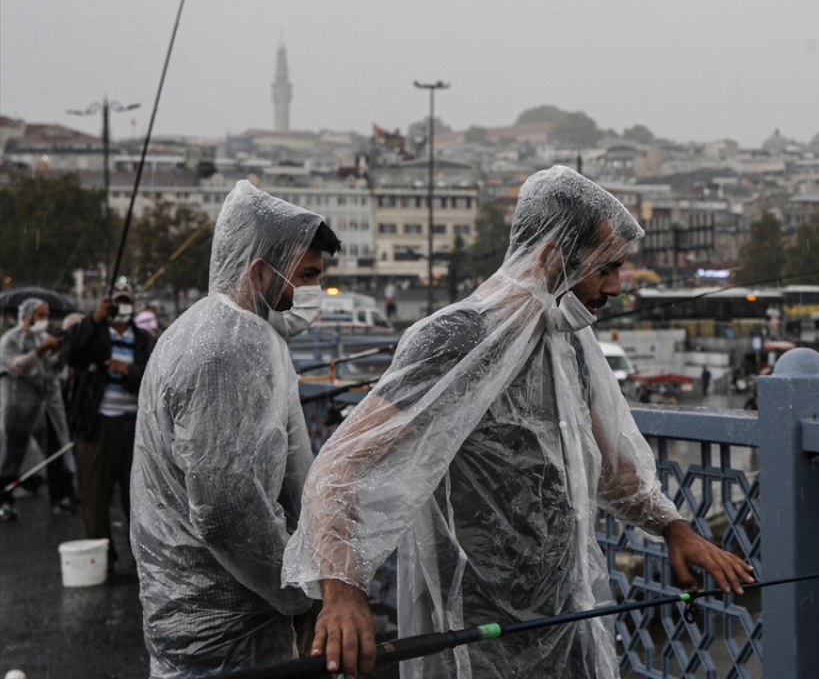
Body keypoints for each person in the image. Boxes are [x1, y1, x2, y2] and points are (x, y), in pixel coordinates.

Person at [284, 167, 753, 679]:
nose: (617, 287)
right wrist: (342, 591)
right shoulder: (455, 340)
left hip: (565, 617)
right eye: (606, 268)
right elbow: (341, 467)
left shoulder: (565, 341)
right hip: (476, 630)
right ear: (552, 257)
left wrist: (675, 528)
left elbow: (610, 468)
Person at [130, 180, 341, 679]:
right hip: (220, 630)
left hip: (222, 620)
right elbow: (228, 512)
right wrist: (302, 596)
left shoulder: (239, 334)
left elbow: (289, 467)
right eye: (305, 276)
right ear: (260, 273)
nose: (313, 293)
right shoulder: (228, 349)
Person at [62, 292, 156, 576]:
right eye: (115, 302)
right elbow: (69, 350)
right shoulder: (92, 334)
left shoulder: (144, 339)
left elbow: (155, 374)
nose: (121, 308)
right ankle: (103, 560)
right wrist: (93, 320)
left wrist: (129, 371)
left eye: (125, 301)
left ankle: (146, 561)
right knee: (95, 497)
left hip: (134, 427)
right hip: (96, 426)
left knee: (139, 499)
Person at [0, 298, 77, 521]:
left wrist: (60, 357)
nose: (45, 320)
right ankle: (5, 497)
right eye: (41, 315)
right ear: (27, 316)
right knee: (11, 453)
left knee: (53, 450)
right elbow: (17, 366)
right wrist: (41, 350)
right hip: (18, 406)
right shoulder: (10, 340)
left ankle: (61, 495)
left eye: (46, 315)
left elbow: (52, 371)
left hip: (44, 408)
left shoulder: (44, 338)